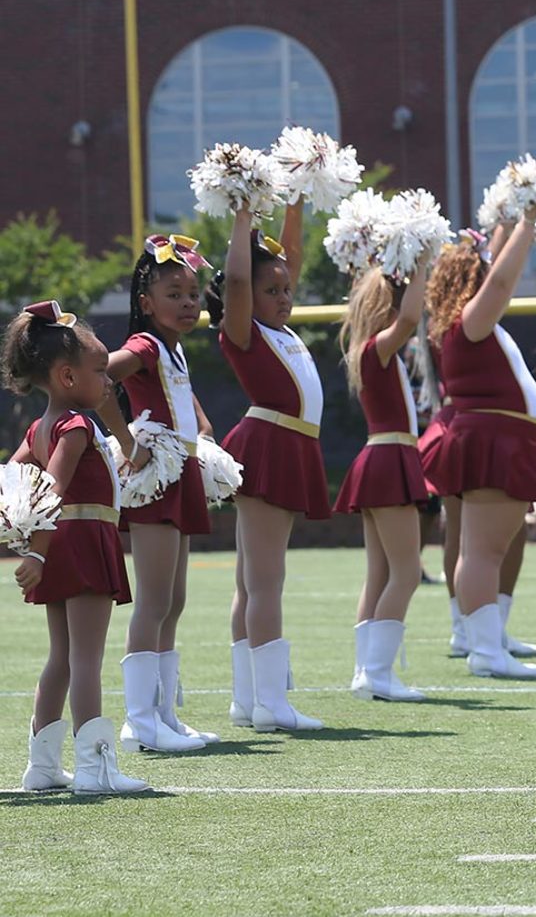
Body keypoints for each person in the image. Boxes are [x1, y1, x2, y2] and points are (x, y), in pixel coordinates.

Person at [2, 302, 147, 794]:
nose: (109, 382)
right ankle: (95, 768)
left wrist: (39, 548)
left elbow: (13, 483)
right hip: (80, 544)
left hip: (65, 546)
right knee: (86, 658)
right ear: (66, 376)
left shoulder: (38, 428)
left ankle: (42, 766)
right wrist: (36, 553)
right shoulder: (77, 425)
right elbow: (51, 489)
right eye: (100, 371)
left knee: (62, 656)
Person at [95, 235, 219, 754]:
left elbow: (186, 406)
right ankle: (140, 720)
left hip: (181, 470)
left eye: (193, 293)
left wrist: (206, 438)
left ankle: (164, 715)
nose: (188, 303)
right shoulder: (145, 345)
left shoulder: (174, 348)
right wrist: (128, 443)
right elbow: (100, 378)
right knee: (153, 601)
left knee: (174, 601)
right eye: (174, 293)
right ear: (146, 302)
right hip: (156, 475)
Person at [207, 202, 327, 731]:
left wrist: (297, 200)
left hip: (286, 443)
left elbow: (290, 255)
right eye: (272, 290)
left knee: (250, 582)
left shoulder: (281, 328)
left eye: (286, 290)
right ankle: (271, 703)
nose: (285, 296)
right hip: (269, 444)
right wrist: (239, 219)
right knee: (265, 582)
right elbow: (236, 279)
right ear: (244, 299)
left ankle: (247, 698)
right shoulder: (244, 331)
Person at [423, 219, 536, 679]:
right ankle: (484, 650)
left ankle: (487, 641)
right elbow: (500, 278)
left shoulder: (464, 323)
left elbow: (491, 268)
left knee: (482, 551)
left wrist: (505, 219)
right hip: (493, 440)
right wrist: (528, 217)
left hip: (501, 438)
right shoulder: (470, 322)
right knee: (482, 554)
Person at [334, 264, 430, 702]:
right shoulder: (377, 348)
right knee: (407, 571)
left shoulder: (368, 351)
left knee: (380, 573)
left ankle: (365, 672)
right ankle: (377, 672)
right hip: (389, 457)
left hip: (382, 456)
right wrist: (423, 260)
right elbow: (410, 319)